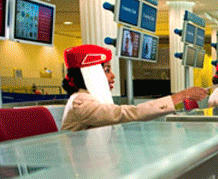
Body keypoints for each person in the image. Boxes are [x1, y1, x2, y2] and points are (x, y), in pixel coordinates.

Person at [61, 44, 208, 132]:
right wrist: (180, 96)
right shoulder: (80, 102)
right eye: (106, 71)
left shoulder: (88, 99)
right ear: (90, 75)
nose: (113, 76)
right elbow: (124, 114)